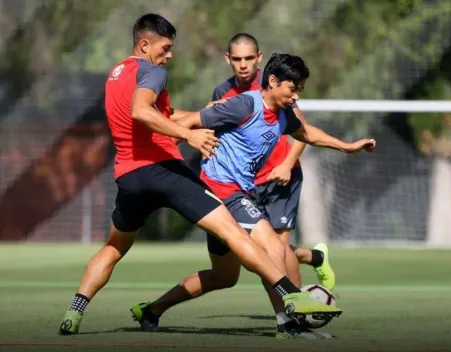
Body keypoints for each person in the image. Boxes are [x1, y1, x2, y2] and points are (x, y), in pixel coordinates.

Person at [58, 13, 339, 336]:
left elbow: (156, 114)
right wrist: (188, 135)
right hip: (167, 172)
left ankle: (75, 312)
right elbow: (141, 111)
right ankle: (291, 295)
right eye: (165, 47)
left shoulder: (116, 74)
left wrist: (195, 120)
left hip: (128, 176)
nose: (169, 55)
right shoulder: (152, 72)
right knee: (234, 232)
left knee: (114, 247)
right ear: (144, 44)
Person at [130, 53, 375, 339]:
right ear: (273, 81)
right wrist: (163, 152)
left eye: (300, 90)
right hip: (221, 189)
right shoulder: (245, 104)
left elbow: (307, 133)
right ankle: (288, 320)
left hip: (236, 193)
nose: (296, 96)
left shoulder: (283, 116)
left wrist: (346, 147)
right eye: (292, 88)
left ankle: (152, 310)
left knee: (224, 277)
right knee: (272, 243)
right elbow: (194, 119)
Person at [210, 33, 335, 293]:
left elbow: (304, 131)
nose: (243, 64)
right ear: (227, 60)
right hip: (243, 184)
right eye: (237, 59)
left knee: (277, 243)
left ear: (259, 58)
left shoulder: (275, 83)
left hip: (280, 177)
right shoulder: (223, 91)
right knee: (258, 246)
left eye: (248, 58)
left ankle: (298, 308)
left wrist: (288, 164)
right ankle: (312, 259)